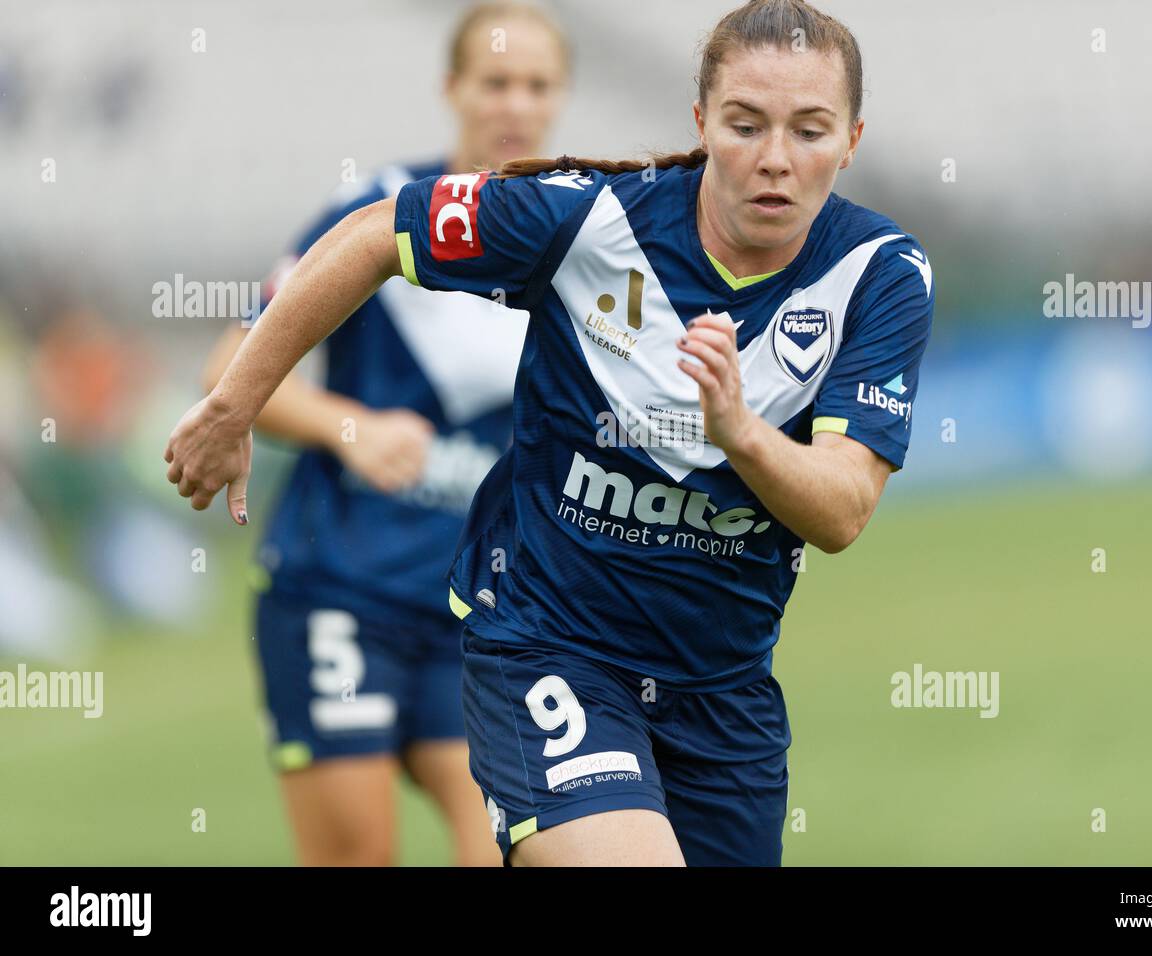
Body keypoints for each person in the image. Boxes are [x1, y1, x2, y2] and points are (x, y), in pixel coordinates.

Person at [166, 0, 935, 866]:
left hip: (723, 692)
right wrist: (243, 407)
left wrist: (740, 433)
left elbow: (840, 515)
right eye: (746, 124)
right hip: (535, 642)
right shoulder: (581, 217)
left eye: (810, 130)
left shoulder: (881, 272)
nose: (774, 159)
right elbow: (376, 233)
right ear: (702, 123)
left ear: (853, 139)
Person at [200, 2, 570, 867]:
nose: (515, 103)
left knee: (509, 849)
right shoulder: (378, 213)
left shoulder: (577, 237)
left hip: (471, 609)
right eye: (496, 81)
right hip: (341, 594)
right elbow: (227, 364)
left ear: (561, 98)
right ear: (452, 89)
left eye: (537, 85)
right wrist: (348, 426)